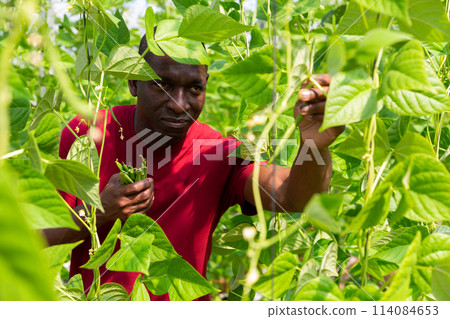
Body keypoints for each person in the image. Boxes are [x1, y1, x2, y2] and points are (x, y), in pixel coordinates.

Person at [43, 35, 344, 300]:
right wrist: (95, 215)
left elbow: (296, 198)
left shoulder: (216, 151)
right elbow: (37, 235)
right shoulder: (90, 132)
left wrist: (313, 146)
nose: (179, 104)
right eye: (163, 85)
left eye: (194, 88)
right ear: (134, 82)